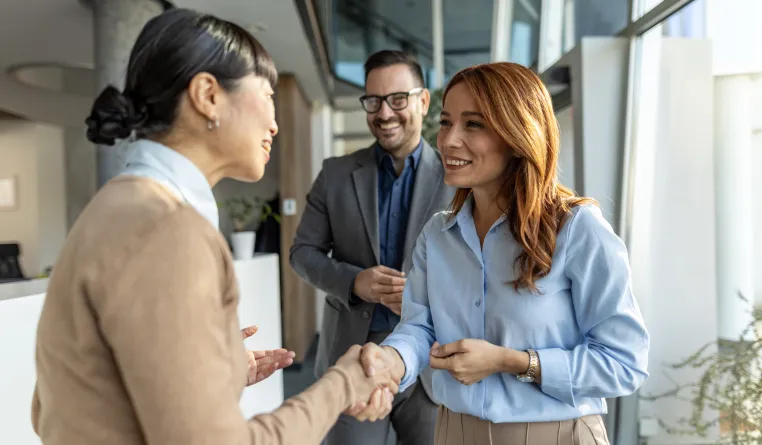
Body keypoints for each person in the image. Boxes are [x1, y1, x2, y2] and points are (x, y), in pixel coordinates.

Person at [31, 9, 398, 445]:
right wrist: (343, 384)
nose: (275, 124)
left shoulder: (113, 209)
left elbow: (57, 405)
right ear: (208, 95)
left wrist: (214, 371)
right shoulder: (168, 231)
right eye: (267, 96)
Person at [356, 62, 651, 445]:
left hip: (557, 435)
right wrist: (389, 364)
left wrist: (512, 361)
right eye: (446, 123)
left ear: (517, 134)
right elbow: (419, 328)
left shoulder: (577, 229)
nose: (448, 140)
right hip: (452, 432)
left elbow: (624, 362)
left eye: (473, 124)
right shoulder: (437, 235)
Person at [290, 50, 454, 444]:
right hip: (352, 356)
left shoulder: (458, 177)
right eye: (373, 101)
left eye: (398, 99)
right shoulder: (334, 174)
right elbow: (302, 253)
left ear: (423, 101)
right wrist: (354, 281)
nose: (384, 113)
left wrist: (425, 295)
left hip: (432, 361)